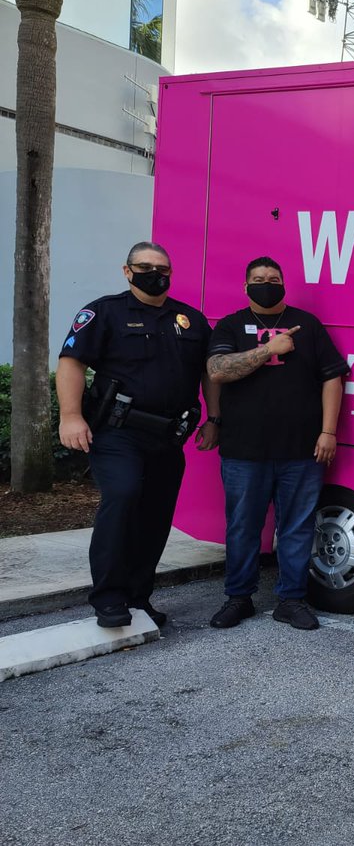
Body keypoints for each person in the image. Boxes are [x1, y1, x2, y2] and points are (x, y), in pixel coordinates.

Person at [56, 242, 219, 628]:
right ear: (127, 271)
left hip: (168, 436)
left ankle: (138, 596)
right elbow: (71, 362)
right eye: (145, 266)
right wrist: (70, 416)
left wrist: (215, 419)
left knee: (155, 515)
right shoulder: (103, 312)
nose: (155, 273)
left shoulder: (190, 320)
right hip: (118, 432)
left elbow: (209, 373)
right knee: (124, 495)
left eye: (162, 267)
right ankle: (109, 597)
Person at [205, 257, 350, 631]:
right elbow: (217, 371)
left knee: (297, 527)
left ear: (284, 283)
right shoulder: (231, 325)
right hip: (243, 451)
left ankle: (291, 600)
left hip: (301, 451)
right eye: (257, 279)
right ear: (245, 286)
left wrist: (328, 431)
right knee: (242, 527)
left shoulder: (310, 326)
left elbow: (333, 378)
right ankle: (238, 598)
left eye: (273, 278)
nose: (266, 283)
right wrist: (269, 349)